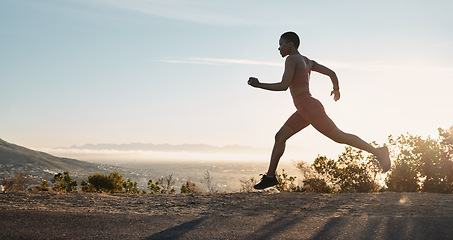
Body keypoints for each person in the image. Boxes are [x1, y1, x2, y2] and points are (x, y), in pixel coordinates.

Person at [248, 31, 391, 190]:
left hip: (309, 107)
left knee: (339, 136)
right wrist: (336, 88)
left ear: (290, 44)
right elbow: (332, 73)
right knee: (280, 136)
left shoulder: (291, 59)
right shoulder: (308, 61)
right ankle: (270, 177)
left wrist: (259, 84)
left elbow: (283, 86)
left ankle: (379, 152)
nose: (279, 48)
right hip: (305, 109)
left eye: (281, 44)